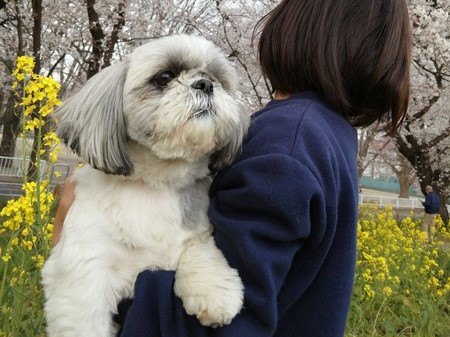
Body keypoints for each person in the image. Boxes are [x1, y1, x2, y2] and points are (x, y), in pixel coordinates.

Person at [53, 0, 411, 336]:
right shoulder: (329, 135)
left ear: (293, 26)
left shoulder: (285, 144)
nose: (202, 87)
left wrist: (83, 272)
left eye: (216, 82)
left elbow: (223, 324)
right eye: (164, 80)